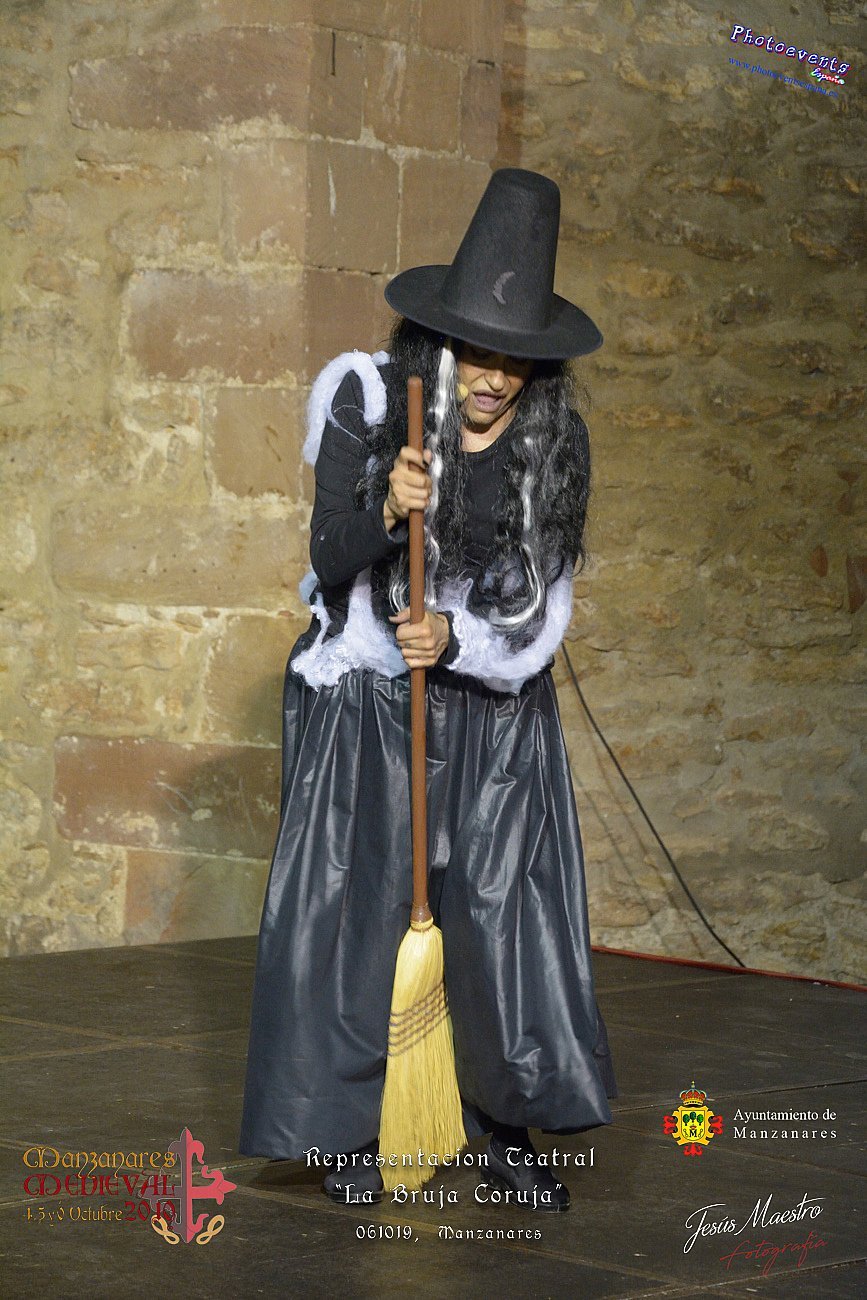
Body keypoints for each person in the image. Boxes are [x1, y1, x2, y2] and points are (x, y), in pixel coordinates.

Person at [238, 168, 617, 1213]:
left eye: (516, 358)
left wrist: (457, 638)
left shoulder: (553, 444)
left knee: (500, 916)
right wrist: (386, 510)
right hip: (369, 703)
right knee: (360, 918)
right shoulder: (368, 399)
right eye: (476, 350)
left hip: (492, 711)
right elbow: (327, 555)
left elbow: (539, 610)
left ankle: (504, 1127)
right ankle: (353, 1130)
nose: (494, 378)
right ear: (438, 337)